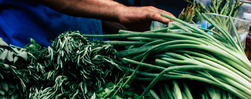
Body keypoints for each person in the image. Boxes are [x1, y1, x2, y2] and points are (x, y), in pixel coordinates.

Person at [0, 0, 174, 47]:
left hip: (90, 56)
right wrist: (121, 11)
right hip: (34, 55)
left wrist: (122, 27)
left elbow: (87, 7)